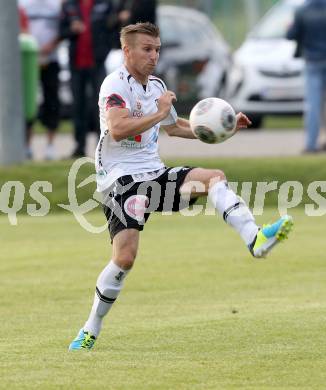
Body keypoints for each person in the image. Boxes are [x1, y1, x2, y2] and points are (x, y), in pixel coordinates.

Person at [69, 23, 294, 350]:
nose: (154, 56)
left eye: (157, 49)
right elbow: (117, 129)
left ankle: (254, 238)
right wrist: (158, 111)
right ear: (127, 51)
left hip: (154, 175)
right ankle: (90, 328)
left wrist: (223, 130)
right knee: (125, 258)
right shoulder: (114, 85)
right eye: (147, 49)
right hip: (120, 181)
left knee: (213, 177)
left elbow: (175, 127)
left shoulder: (156, 86)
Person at [60, 0, 116, 157]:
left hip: (97, 63)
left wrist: (105, 50)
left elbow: (113, 28)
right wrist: (71, 30)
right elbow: (61, 31)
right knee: (78, 106)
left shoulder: (105, 4)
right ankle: (79, 147)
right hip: (76, 64)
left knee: (101, 106)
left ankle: (102, 146)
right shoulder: (69, 5)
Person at [19, 0, 62, 160]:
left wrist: (51, 45)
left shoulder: (57, 5)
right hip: (27, 60)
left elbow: (62, 28)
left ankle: (50, 146)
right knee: (27, 103)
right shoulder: (22, 4)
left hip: (50, 59)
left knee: (52, 102)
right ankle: (26, 145)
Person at [286, 0, 326, 153]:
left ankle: (311, 144)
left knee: (313, 105)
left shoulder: (302, 11)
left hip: (312, 61)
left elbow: (291, 35)